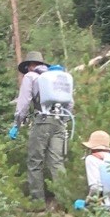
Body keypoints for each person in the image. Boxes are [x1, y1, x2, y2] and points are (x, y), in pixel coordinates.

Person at [10, 49, 69, 206]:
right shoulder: (58, 79)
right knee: (57, 162)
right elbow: (70, 104)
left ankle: (37, 203)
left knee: (35, 162)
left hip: (42, 120)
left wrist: (17, 124)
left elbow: (23, 103)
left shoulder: (31, 77)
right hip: (60, 121)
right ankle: (64, 201)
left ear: (29, 66)